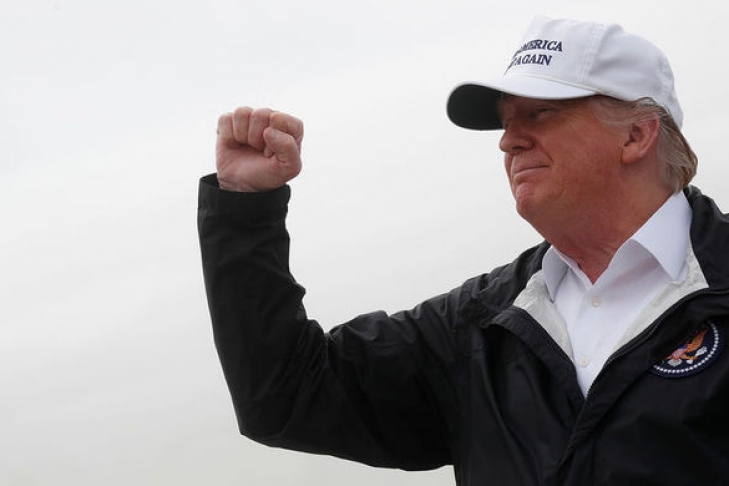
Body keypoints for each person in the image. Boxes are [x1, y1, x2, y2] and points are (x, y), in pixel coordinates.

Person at [197, 16, 729, 485]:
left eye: (540, 114)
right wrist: (244, 207)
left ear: (636, 135)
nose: (508, 140)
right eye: (507, 120)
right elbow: (285, 394)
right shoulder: (480, 326)